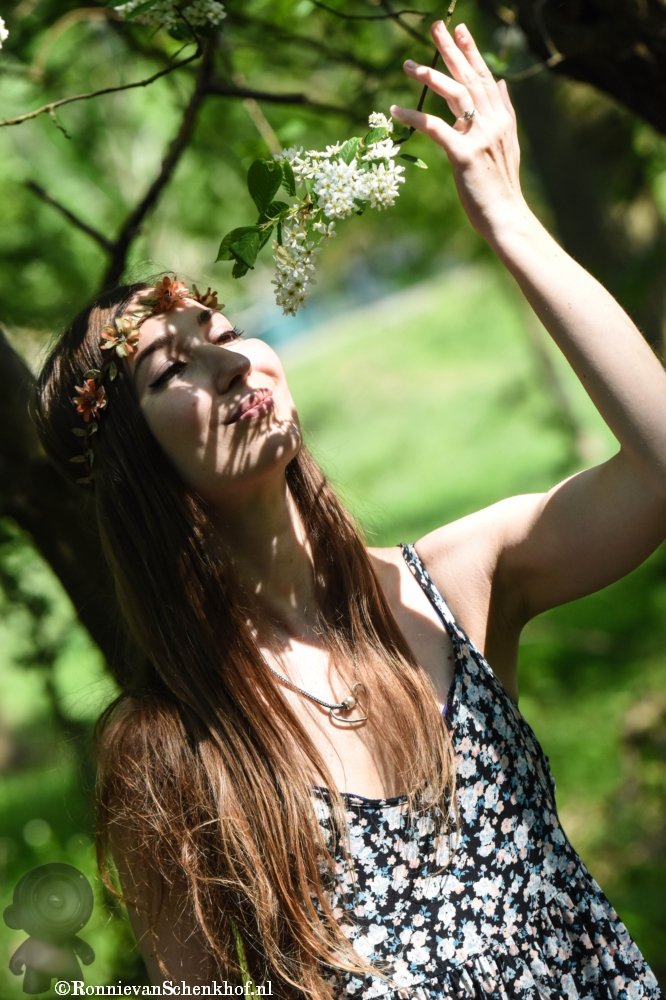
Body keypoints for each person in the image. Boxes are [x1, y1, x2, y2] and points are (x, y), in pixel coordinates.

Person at [32, 18, 664, 1000]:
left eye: (227, 328)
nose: (229, 356)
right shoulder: (172, 749)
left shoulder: (451, 586)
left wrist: (506, 216)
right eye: (172, 368)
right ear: (132, 467)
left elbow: (659, 463)